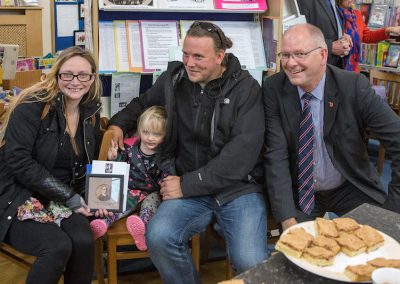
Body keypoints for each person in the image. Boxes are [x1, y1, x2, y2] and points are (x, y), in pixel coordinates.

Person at [108, 21, 267, 283]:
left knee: (250, 261)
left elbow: (240, 157)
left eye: (198, 57)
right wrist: (117, 125)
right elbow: (142, 103)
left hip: (236, 189)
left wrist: (188, 184)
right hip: (187, 186)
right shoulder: (175, 79)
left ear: (219, 56)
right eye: (185, 54)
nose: (189, 63)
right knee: (159, 237)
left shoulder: (247, 89)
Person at [263, 23, 400, 233]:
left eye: (300, 54)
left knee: (382, 244)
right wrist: (287, 218)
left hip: (351, 185)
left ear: (323, 55)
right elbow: (276, 155)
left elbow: (397, 139)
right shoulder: (274, 89)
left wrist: (392, 210)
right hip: (302, 192)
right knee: (298, 256)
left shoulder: (353, 86)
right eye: (285, 55)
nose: (290, 63)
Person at [0, 46, 102, 284]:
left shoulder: (92, 111)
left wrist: (99, 198)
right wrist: (69, 197)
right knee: (57, 246)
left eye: (83, 75)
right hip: (15, 194)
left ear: (92, 78)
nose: (75, 81)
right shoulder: (32, 105)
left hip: (58, 197)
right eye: (67, 74)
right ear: (56, 75)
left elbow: (87, 165)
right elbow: (19, 160)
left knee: (84, 240)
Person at [90, 106, 174, 251]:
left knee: (150, 204)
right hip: (131, 190)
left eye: (157, 134)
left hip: (152, 193)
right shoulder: (129, 148)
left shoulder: (165, 155)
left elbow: (166, 177)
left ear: (165, 135)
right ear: (139, 130)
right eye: (146, 132)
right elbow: (117, 169)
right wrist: (113, 158)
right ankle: (103, 223)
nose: (150, 138)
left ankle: (141, 226)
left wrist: (165, 184)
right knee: (120, 204)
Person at [336, 0, 400, 72]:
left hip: (353, 70)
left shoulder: (356, 14)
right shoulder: (333, 15)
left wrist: (388, 30)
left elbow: (367, 36)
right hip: (336, 67)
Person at [297, 0, 353, 68]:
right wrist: (330, 47)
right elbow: (298, 36)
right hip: (315, 68)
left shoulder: (333, 3)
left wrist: (342, 36)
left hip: (333, 67)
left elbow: (330, 28)